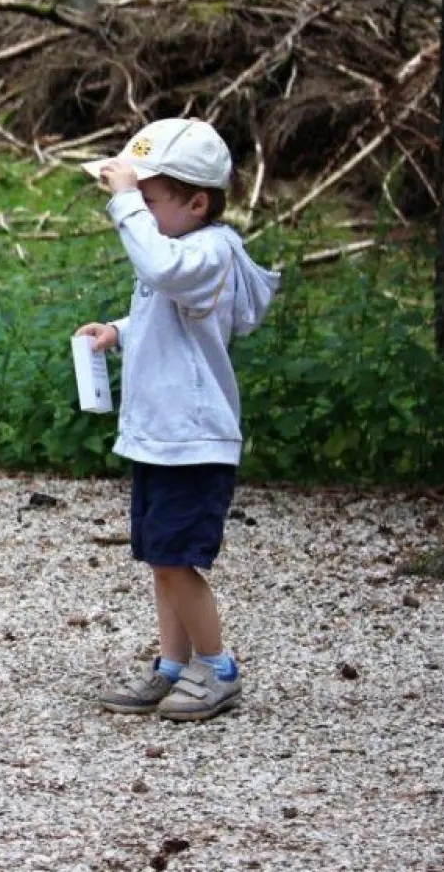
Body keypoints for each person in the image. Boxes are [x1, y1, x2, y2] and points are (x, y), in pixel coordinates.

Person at [75, 118, 280, 721]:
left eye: (149, 200)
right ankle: (172, 665)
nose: (137, 212)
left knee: (174, 559)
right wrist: (119, 331)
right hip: (161, 439)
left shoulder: (207, 252)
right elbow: (168, 311)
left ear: (197, 204)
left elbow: (163, 272)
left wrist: (123, 200)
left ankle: (217, 668)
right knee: (160, 558)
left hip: (194, 441)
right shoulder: (181, 253)